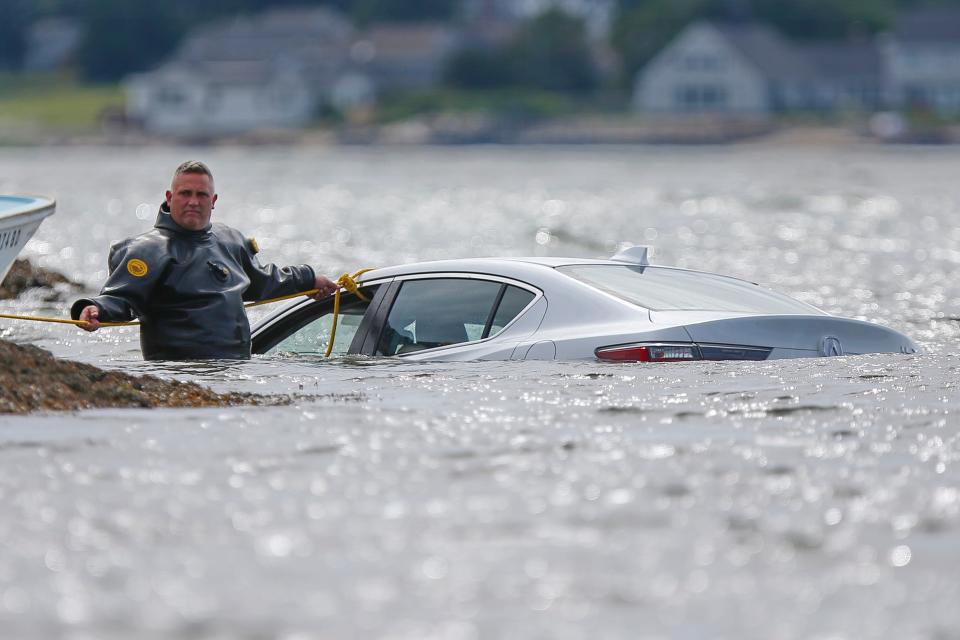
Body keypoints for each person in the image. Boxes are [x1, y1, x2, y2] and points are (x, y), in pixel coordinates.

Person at [71, 161, 338, 360]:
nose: (193, 202)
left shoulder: (230, 240)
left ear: (214, 201)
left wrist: (309, 279)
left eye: (201, 195)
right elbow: (121, 298)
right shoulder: (147, 250)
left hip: (236, 370)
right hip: (179, 373)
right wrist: (93, 309)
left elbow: (263, 282)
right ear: (169, 197)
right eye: (185, 193)